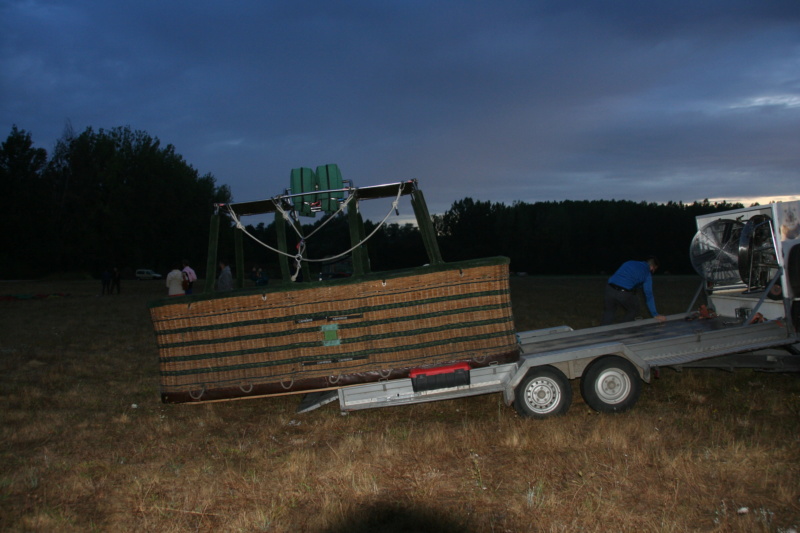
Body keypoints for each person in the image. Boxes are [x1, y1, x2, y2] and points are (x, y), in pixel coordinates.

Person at [601, 256, 666, 325]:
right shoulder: (647, 274)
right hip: (623, 293)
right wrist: (655, 314)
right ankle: (623, 330)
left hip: (609, 288)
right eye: (654, 270)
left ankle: (603, 332)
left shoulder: (630, 262)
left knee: (609, 311)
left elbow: (624, 276)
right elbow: (649, 295)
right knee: (633, 309)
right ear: (652, 267)